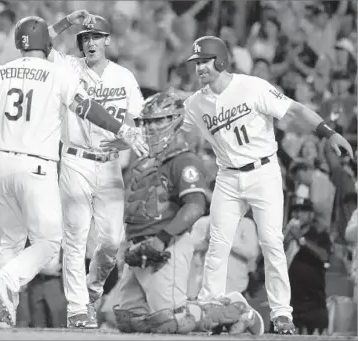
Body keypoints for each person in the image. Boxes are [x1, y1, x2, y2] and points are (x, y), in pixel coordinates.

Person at [0, 15, 148, 328]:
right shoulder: (57, 73)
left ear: (19, 43)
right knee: (49, 244)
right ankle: (7, 277)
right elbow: (86, 108)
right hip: (37, 165)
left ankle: (3, 314)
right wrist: (122, 128)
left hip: (0, 164)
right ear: (47, 43)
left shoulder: (0, 70)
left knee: (10, 242)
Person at [183, 36, 353, 335]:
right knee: (217, 242)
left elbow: (296, 109)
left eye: (204, 61)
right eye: (196, 63)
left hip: (263, 172)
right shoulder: (196, 102)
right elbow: (166, 124)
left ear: (220, 60)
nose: (199, 68)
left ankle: (281, 314)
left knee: (272, 241)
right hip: (228, 177)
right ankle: (209, 306)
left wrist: (329, 133)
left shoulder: (252, 86)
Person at [113, 92, 264, 336]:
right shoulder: (145, 160)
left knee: (173, 320)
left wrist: (162, 239)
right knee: (130, 320)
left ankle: (237, 311)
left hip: (166, 243)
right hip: (138, 246)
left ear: (174, 120)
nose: (150, 127)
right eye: (147, 121)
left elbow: (195, 206)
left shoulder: (184, 160)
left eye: (158, 121)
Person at [47, 12, 144, 328]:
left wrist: (125, 144)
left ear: (107, 40)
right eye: (85, 38)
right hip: (75, 160)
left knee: (112, 241)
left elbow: (135, 123)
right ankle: (77, 309)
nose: (90, 42)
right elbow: (36, 43)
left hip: (109, 165)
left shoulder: (124, 76)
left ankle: (91, 292)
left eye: (96, 37)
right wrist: (66, 21)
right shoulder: (69, 67)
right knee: (74, 237)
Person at [283, 197, 331, 335]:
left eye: (303, 210)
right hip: (289, 303)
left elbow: (325, 256)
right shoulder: (286, 236)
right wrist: (285, 237)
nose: (298, 214)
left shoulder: (320, 234)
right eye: (295, 210)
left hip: (313, 303)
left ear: (311, 215)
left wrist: (301, 240)